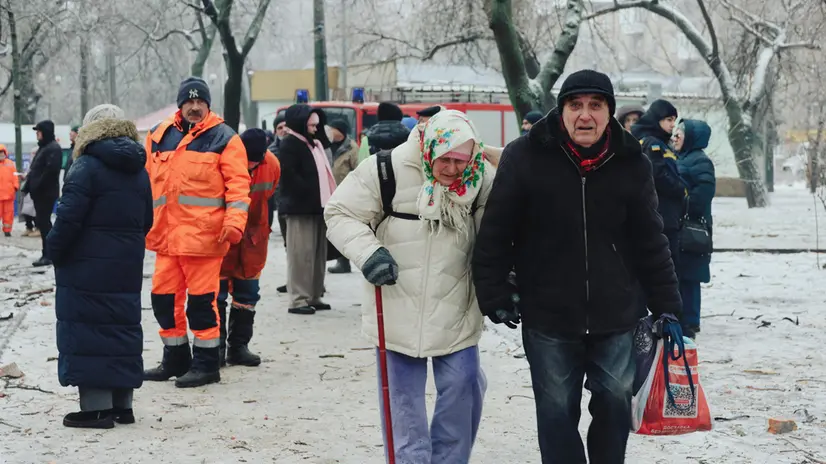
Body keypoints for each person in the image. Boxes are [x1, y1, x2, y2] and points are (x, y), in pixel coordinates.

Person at [472, 69, 682, 463]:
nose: (585, 116)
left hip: (616, 312)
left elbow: (650, 239)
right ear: (562, 110)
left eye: (595, 106)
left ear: (609, 112)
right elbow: (496, 232)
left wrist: (668, 303)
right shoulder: (525, 155)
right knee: (555, 412)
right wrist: (494, 291)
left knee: (616, 401)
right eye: (575, 105)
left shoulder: (631, 160)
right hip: (548, 314)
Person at [325, 110, 494, 463]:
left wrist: (506, 280)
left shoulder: (482, 179)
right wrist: (369, 253)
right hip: (396, 302)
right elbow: (340, 212)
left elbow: (503, 234)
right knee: (403, 403)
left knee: (464, 387)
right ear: (428, 150)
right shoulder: (385, 170)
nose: (451, 169)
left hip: (456, 305)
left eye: (460, 160)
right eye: (443, 159)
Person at [46, 104, 153, 429]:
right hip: (125, 266)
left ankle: (95, 408)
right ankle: (122, 405)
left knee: (88, 330)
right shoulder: (139, 170)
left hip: (85, 269)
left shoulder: (86, 167)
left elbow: (67, 221)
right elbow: (146, 220)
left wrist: (54, 249)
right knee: (120, 328)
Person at [143, 77, 251, 388]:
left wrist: (234, 223)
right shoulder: (158, 135)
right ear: (180, 105)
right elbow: (145, 182)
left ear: (208, 104)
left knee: (202, 303)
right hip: (165, 237)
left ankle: (206, 365)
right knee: (163, 300)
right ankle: (175, 359)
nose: (194, 107)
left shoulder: (225, 138)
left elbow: (239, 186)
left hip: (205, 238)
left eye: (199, 102)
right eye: (188, 102)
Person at [218, 128, 280, 367]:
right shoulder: (224, 161)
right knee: (216, 294)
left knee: (248, 294)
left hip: (254, 238)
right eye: (248, 160)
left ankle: (238, 347)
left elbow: (270, 191)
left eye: (257, 160)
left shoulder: (272, 164)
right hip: (224, 235)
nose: (253, 164)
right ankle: (217, 348)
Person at [278, 104, 335, 315]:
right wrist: (308, 191)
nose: (315, 127)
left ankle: (314, 294)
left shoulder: (315, 144)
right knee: (301, 255)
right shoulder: (291, 144)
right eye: (311, 123)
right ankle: (298, 298)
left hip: (318, 206)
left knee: (318, 254)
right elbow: (289, 175)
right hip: (299, 208)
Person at [631, 99, 688, 275]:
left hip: (665, 215)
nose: (672, 125)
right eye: (668, 120)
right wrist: (681, 189)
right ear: (657, 119)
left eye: (674, 120)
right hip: (661, 215)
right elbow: (659, 175)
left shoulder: (660, 142)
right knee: (667, 272)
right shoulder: (652, 143)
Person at [673, 119, 716, 339]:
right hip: (683, 224)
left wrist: (682, 205)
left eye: (680, 133)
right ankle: (685, 317)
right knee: (682, 272)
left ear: (691, 137)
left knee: (690, 274)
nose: (675, 137)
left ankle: (691, 319)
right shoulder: (683, 158)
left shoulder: (700, 161)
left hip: (693, 227)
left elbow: (704, 192)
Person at [22, 119, 63, 267]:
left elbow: (50, 172)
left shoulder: (53, 148)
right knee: (42, 222)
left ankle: (49, 253)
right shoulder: (44, 148)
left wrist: (36, 185)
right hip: (39, 193)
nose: (37, 135)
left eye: (38, 132)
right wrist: (28, 186)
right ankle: (48, 252)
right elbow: (35, 170)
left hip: (46, 193)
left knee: (44, 223)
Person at [326, 118, 360, 274]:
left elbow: (357, 170)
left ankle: (343, 261)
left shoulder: (351, 148)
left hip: (344, 194)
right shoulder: (324, 145)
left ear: (340, 131)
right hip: (326, 193)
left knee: (341, 229)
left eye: (332, 128)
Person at [0, 145, 19, 237]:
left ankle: (7, 230)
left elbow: (15, 176)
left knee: (8, 214)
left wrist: (15, 186)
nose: (1, 154)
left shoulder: (11, 163)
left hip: (9, 194)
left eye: (2, 152)